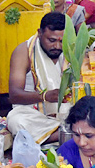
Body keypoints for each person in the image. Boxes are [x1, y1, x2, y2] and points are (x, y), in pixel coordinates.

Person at [6, 12, 69, 144]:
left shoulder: (71, 49)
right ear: (39, 33)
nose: (57, 46)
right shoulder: (23, 52)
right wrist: (44, 96)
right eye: (51, 40)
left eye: (61, 41)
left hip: (67, 111)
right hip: (33, 114)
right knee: (16, 121)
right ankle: (68, 134)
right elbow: (14, 95)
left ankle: (60, 134)